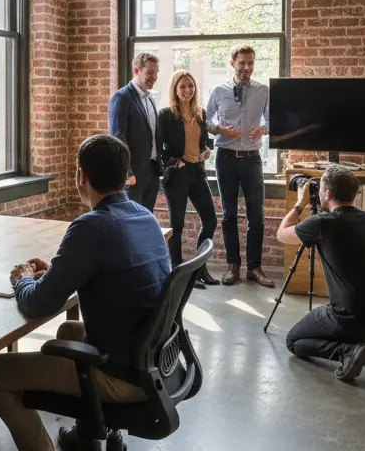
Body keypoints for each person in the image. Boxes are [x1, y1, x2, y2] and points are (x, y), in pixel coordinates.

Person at [0, 134, 170, 451]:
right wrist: (57, 271)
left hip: (123, 374)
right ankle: (89, 433)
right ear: (127, 175)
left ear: (80, 176)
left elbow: (38, 305)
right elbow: (111, 269)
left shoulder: (90, 226)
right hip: (156, 358)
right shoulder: (144, 216)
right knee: (70, 329)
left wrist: (22, 281)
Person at [275, 165, 365, 382]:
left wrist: (300, 203)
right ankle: (357, 344)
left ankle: (346, 352)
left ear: (327, 194)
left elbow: (281, 235)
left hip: (353, 318)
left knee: (293, 341)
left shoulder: (321, 224)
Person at [205, 44, 274, 287]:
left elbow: (274, 119)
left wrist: (264, 129)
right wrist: (218, 130)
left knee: (257, 216)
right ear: (232, 63)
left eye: (251, 63)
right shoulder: (218, 90)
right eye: (242, 63)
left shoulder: (263, 90)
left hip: (252, 159)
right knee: (229, 215)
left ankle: (254, 268)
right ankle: (233, 266)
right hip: (225, 157)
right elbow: (205, 119)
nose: (247, 68)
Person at [156, 70, 219, 287]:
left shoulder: (200, 113)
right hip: (178, 174)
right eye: (182, 87)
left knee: (210, 219)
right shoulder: (165, 115)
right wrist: (174, 163)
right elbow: (158, 145)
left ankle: (200, 270)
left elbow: (205, 142)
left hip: (197, 171)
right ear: (175, 89)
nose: (187, 90)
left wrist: (206, 152)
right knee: (177, 224)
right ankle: (178, 274)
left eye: (190, 86)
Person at [108, 52, 162, 212]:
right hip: (133, 175)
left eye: (156, 72)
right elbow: (117, 138)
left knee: (146, 219)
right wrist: (127, 172)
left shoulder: (151, 99)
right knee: (131, 222)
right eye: (150, 72)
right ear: (136, 70)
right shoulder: (121, 98)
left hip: (152, 173)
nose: (154, 77)